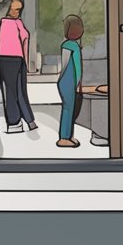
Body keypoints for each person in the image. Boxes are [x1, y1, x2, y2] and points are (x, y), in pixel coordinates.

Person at [0, 0, 36, 134]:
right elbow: (24, 41)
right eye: (15, 9)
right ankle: (21, 121)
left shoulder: (9, 23)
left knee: (13, 91)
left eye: (19, 9)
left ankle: (19, 122)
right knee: (14, 91)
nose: (18, 12)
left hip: (11, 60)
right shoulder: (7, 23)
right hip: (9, 60)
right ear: (7, 9)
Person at [56, 14, 85, 148]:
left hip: (68, 82)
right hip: (69, 82)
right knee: (68, 109)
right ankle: (64, 137)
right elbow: (72, 65)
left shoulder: (70, 44)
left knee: (70, 109)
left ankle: (67, 136)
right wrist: (78, 83)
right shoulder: (71, 46)